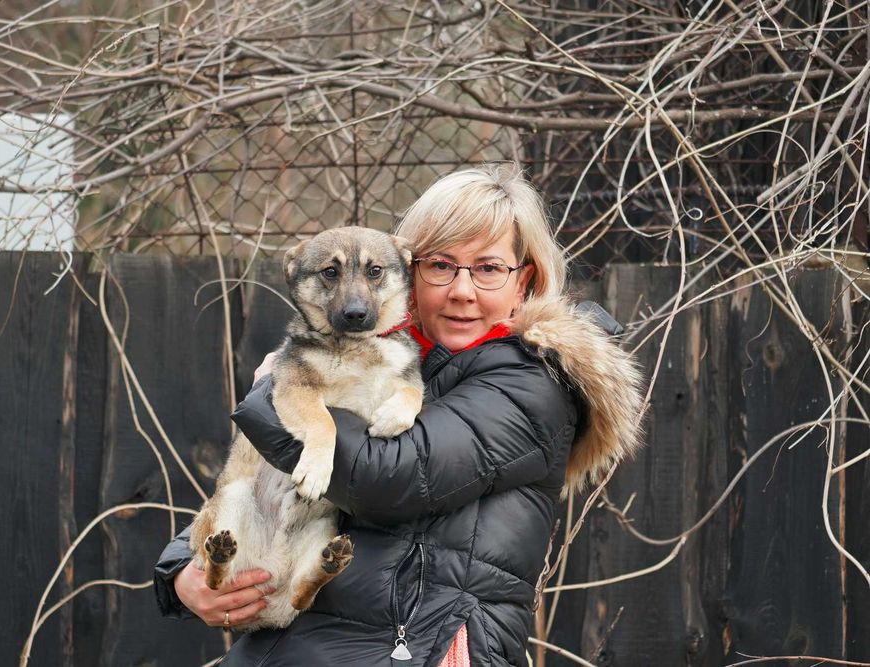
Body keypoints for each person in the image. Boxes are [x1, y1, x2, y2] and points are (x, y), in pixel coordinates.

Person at [154, 163, 645, 666]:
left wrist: (271, 392)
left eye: (488, 268)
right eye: (441, 265)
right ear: (409, 273)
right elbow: (257, 481)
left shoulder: (534, 380)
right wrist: (181, 574)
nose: (462, 290)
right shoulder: (387, 352)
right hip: (293, 646)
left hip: (413, 648)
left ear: (525, 281)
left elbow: (388, 477)